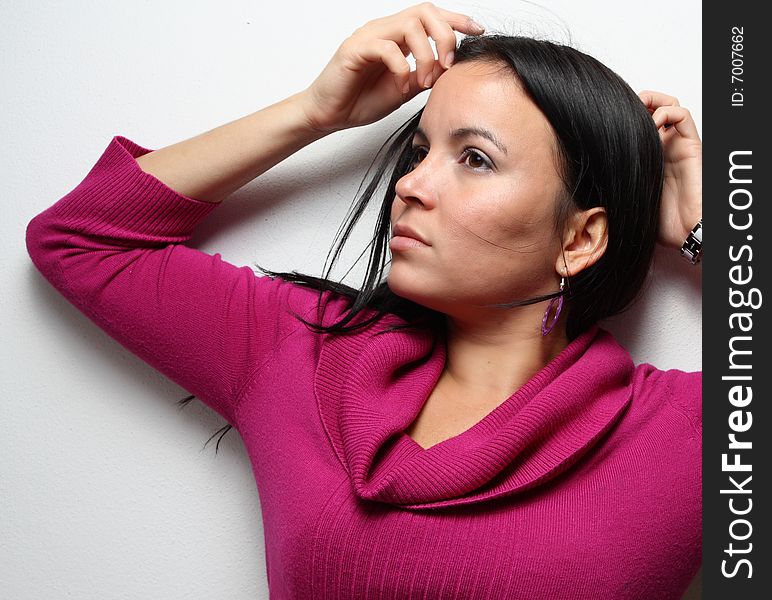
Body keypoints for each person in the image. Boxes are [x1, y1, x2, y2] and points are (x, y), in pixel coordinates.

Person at [25, 3, 702, 599]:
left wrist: (710, 233)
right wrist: (317, 111)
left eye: (474, 159)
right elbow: (83, 241)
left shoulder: (685, 432)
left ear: (580, 239)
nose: (410, 186)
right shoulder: (304, 353)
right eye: (418, 153)